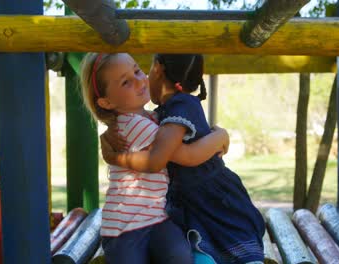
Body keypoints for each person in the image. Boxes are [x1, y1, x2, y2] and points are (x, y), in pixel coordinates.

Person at [101, 54, 266, 264]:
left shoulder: (182, 104)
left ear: (158, 69)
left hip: (211, 194)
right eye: (128, 79)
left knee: (236, 247)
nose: (141, 79)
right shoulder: (164, 111)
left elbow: (186, 156)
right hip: (190, 198)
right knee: (204, 248)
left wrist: (115, 157)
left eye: (141, 70)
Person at [80, 52, 230, 264]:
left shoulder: (151, 117)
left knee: (179, 254)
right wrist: (220, 136)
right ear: (106, 102)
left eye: (137, 70)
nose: (139, 81)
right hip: (126, 226)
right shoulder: (132, 125)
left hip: (156, 218)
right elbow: (189, 155)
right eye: (125, 82)